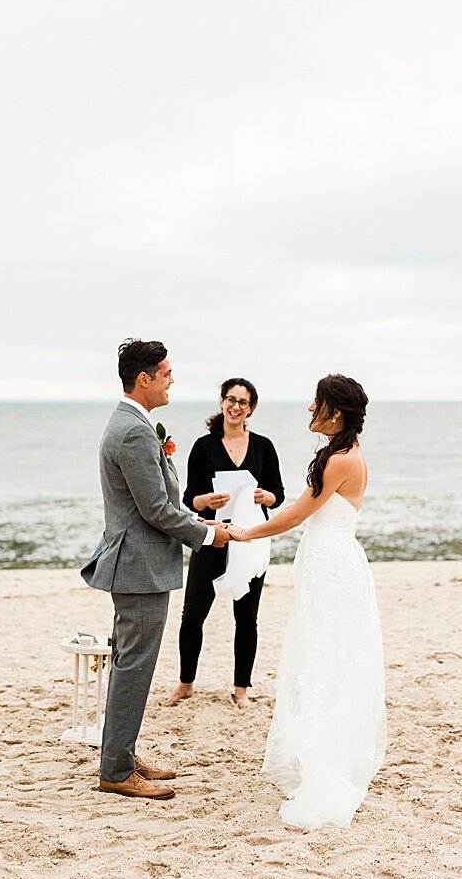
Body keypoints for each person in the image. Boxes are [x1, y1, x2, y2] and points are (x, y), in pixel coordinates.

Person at [225, 374, 386, 830]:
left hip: (333, 567)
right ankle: (319, 754)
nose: (307, 409)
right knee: (320, 657)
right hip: (325, 563)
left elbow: (297, 514)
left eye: (314, 403)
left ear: (333, 411)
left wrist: (246, 531)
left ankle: (327, 765)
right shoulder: (340, 453)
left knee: (326, 659)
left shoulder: (342, 459)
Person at [80, 339, 230, 801]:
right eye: (166, 373)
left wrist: (197, 521)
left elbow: (159, 505)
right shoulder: (132, 431)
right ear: (143, 379)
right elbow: (157, 510)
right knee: (134, 667)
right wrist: (207, 535)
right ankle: (116, 770)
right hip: (138, 567)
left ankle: (120, 755)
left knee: (131, 663)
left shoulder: (134, 424)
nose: (171, 380)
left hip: (139, 563)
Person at [163, 378, 285, 711]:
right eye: (230, 400)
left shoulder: (263, 446)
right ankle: (186, 683)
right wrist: (206, 500)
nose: (235, 407)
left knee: (246, 619)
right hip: (212, 537)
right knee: (192, 617)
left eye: (243, 402)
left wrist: (266, 495)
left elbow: (278, 495)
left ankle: (241, 689)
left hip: (250, 541)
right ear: (221, 402)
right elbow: (189, 499)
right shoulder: (204, 446)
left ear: (251, 408)